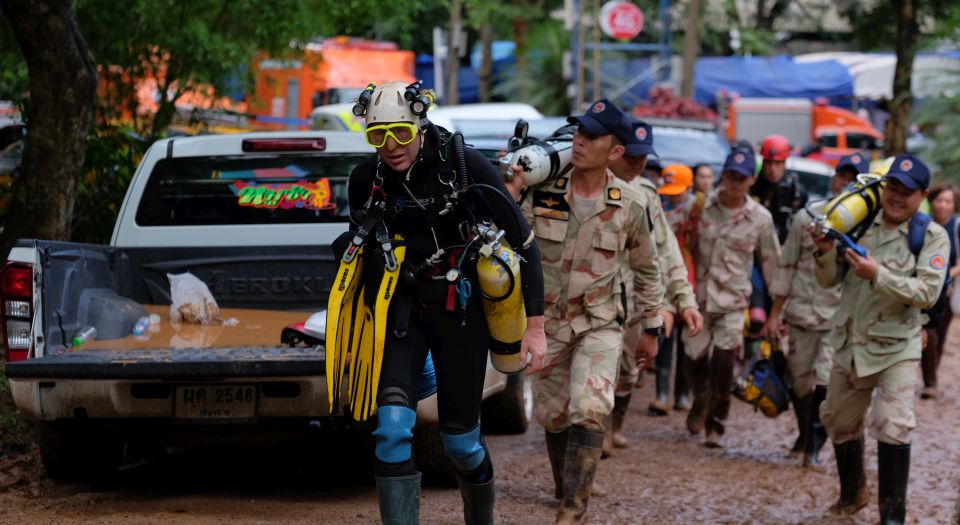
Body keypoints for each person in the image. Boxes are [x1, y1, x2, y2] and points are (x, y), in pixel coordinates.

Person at [342, 81, 547, 525]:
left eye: (398, 132)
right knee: (392, 432)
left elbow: (526, 245)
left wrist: (535, 327)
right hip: (401, 313)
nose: (390, 147)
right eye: (377, 136)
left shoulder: (464, 166)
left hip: (461, 313)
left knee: (461, 444)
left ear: (418, 123)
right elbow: (357, 254)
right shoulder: (366, 178)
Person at [506, 99, 663, 524]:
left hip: (600, 323)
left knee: (590, 407)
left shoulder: (629, 202)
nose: (580, 141)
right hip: (548, 323)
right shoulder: (544, 189)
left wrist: (652, 327)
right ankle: (565, 489)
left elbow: (649, 270)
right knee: (554, 418)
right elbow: (507, 249)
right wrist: (511, 196)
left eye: (592, 136)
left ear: (615, 150)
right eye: (578, 133)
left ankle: (573, 512)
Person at [812, 155, 948, 524]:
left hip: (896, 348)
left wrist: (878, 274)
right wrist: (824, 252)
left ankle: (892, 515)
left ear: (921, 196)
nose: (897, 197)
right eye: (892, 188)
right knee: (838, 422)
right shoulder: (858, 224)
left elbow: (928, 294)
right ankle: (852, 493)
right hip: (850, 343)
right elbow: (828, 281)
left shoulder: (931, 237)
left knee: (893, 425)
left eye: (907, 192)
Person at [764, 152, 864, 466]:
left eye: (853, 180)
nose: (845, 184)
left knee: (824, 381)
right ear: (834, 179)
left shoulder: (865, 225)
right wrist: (774, 313)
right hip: (802, 312)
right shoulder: (807, 217)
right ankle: (807, 434)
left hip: (838, 317)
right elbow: (787, 264)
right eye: (842, 177)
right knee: (800, 382)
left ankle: (814, 447)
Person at [605, 124, 702, 444]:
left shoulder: (647, 194)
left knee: (630, 370)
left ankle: (616, 426)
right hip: (595, 298)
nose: (638, 163)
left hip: (633, 298)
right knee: (596, 373)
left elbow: (666, 249)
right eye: (632, 155)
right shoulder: (589, 185)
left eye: (643, 157)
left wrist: (683, 300)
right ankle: (597, 433)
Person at [681, 148, 781, 448]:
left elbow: (772, 264)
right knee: (691, 359)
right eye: (730, 176)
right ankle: (701, 398)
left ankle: (716, 424)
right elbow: (678, 243)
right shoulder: (699, 208)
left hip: (734, 303)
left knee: (724, 365)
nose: (734, 183)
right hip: (698, 300)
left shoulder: (761, 219)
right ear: (722, 174)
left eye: (741, 178)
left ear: (752, 180)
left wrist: (776, 312)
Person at [921, 182, 960, 399]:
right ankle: (930, 382)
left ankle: (931, 376)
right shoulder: (922, 226)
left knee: (940, 336)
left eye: (948, 201)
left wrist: (946, 279)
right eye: (939, 200)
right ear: (930, 201)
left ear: (954, 205)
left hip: (949, 292)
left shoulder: (956, 227)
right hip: (925, 291)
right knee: (930, 334)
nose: (943, 206)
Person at [751, 134, 809, 244]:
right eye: (768, 163)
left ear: (785, 163)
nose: (772, 169)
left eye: (778, 163)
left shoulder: (796, 191)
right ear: (763, 163)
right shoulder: (753, 187)